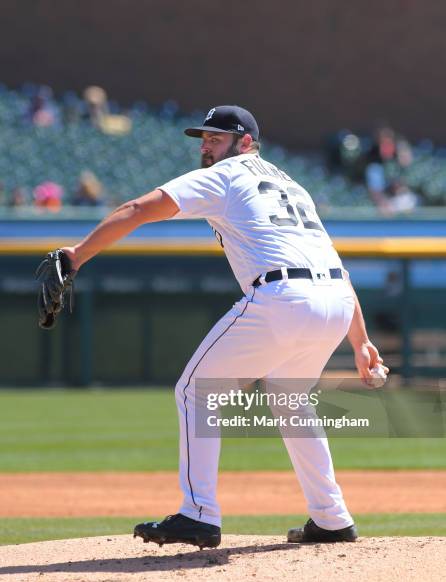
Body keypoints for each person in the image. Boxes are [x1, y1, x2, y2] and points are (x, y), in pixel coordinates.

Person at [59, 105, 387, 549]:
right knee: (291, 400)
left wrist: (75, 255)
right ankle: (331, 517)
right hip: (333, 300)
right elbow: (334, 266)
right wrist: (361, 340)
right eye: (204, 139)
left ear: (245, 144)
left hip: (284, 299)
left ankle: (198, 514)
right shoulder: (293, 185)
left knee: (195, 390)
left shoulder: (228, 173)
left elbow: (139, 208)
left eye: (217, 138)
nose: (207, 146)